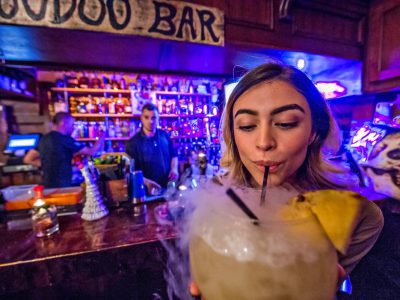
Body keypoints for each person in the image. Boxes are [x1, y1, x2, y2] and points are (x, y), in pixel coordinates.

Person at [189, 62, 384, 297]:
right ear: (233, 134)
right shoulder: (216, 198)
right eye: (247, 126)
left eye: (285, 123)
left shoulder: (345, 214)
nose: (264, 142)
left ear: (314, 131)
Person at [23, 112, 104, 188]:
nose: (73, 128)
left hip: (47, 184)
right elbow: (91, 151)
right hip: (64, 184)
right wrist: (101, 137)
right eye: (72, 125)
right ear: (63, 123)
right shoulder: (65, 139)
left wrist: (48, 164)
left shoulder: (43, 139)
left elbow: (27, 159)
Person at [125, 102, 179, 193]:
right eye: (146, 117)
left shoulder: (164, 136)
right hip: (145, 191)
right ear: (141, 118)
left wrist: (174, 169)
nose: (150, 121)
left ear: (158, 118)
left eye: (153, 118)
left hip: (167, 189)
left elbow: (173, 155)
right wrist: (146, 182)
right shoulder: (133, 143)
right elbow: (130, 172)